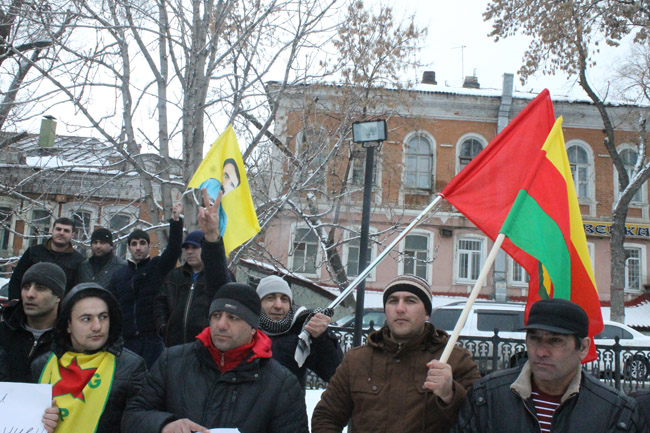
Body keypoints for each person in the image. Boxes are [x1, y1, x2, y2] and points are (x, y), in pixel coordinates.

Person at [122, 283, 309, 433]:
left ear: (253, 327)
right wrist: (163, 425)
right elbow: (133, 416)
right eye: (216, 315)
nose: (221, 325)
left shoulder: (281, 384)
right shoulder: (172, 362)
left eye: (233, 317)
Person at [312, 275, 481, 433]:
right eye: (393, 301)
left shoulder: (456, 360)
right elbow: (326, 416)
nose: (400, 309)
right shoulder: (357, 360)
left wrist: (450, 394)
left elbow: (480, 421)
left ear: (427, 313)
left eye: (410, 301)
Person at [451, 298, 648, 433]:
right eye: (535, 339)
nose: (541, 351)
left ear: (583, 347)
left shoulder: (614, 411)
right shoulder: (487, 396)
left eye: (556, 341)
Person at [35, 282, 147, 433]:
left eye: (103, 317)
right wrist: (37, 421)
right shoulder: (41, 365)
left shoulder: (131, 367)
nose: (97, 327)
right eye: (86, 319)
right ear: (68, 324)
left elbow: (140, 424)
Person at [108, 202, 183, 368]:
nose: (138, 248)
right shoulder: (119, 275)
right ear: (128, 248)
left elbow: (174, 250)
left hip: (153, 341)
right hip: (127, 342)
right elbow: (111, 307)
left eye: (142, 243)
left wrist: (176, 221)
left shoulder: (157, 267)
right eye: (134, 244)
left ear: (149, 246)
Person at [256, 274, 342, 386]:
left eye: (284, 299)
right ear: (258, 303)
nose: (278, 305)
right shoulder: (245, 330)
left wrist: (322, 338)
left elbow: (335, 375)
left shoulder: (302, 331)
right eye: (270, 298)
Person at [155, 230, 231, 347]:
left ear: (205, 249)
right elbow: (160, 303)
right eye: (187, 248)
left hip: (206, 346)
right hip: (174, 344)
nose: (189, 252)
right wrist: (163, 327)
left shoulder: (219, 277)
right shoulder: (174, 276)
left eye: (194, 247)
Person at [0, 262, 65, 383]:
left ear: (58, 296)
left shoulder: (68, 340)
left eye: (40, 288)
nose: (30, 294)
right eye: (26, 287)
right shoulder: (3, 333)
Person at [8, 217, 84, 300]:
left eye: (66, 231)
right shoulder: (33, 252)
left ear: (72, 235)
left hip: (61, 310)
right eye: (58, 229)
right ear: (52, 231)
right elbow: (16, 280)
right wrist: (15, 305)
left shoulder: (78, 260)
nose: (61, 233)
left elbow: (78, 290)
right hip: (30, 305)